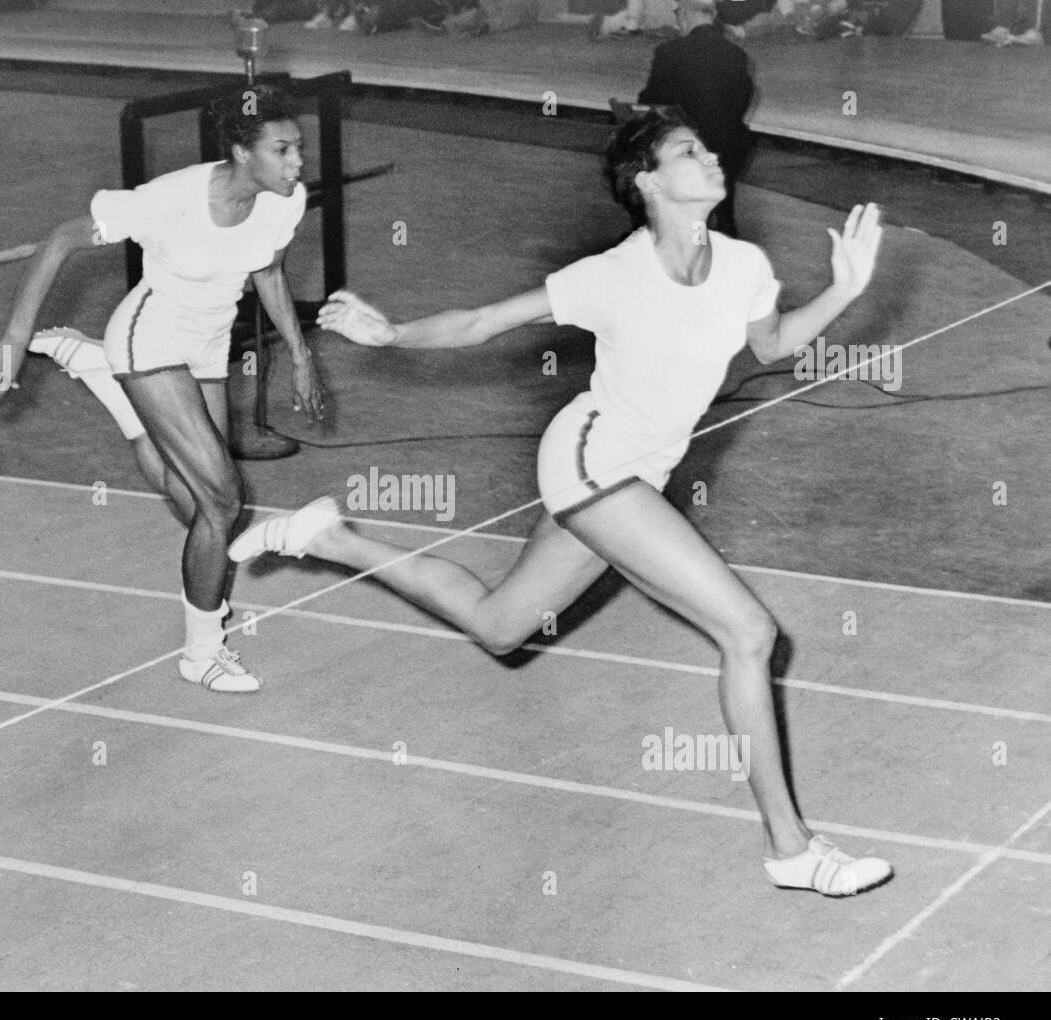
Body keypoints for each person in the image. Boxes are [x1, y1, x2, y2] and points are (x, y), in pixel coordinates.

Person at [231, 106, 894, 896]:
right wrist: (393, 334)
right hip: (588, 460)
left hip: (636, 475)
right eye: (689, 149)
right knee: (748, 631)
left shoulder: (745, 263)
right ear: (649, 181)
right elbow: (484, 320)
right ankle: (791, 846)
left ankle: (332, 537)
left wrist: (846, 289)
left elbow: (773, 343)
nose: (711, 155)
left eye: (706, 145)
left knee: (501, 625)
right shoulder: (613, 274)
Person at [0, 85, 325, 694]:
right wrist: (12, 338)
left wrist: (299, 352)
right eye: (284, 148)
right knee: (221, 500)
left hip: (210, 345)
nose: (299, 162)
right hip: (149, 337)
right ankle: (202, 652)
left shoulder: (282, 202)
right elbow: (60, 239)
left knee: (192, 501)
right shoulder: (170, 199)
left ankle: (108, 385)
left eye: (299, 148)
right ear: (242, 152)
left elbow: (266, 268)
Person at [637, 0, 753, 237]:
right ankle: (725, 235)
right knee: (724, 208)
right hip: (729, 149)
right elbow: (743, 98)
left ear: (686, 15)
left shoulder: (669, 52)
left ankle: (660, 235)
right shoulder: (736, 54)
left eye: (677, 13)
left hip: (687, 151)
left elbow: (652, 99)